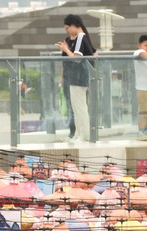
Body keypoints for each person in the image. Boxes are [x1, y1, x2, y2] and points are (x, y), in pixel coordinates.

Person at [57, 14, 95, 143]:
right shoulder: (80, 38)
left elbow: (77, 58)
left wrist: (66, 49)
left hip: (79, 77)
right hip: (76, 77)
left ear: (73, 26)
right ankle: (78, 134)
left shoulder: (80, 37)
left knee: (80, 107)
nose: (67, 31)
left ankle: (84, 135)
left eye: (67, 28)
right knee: (76, 107)